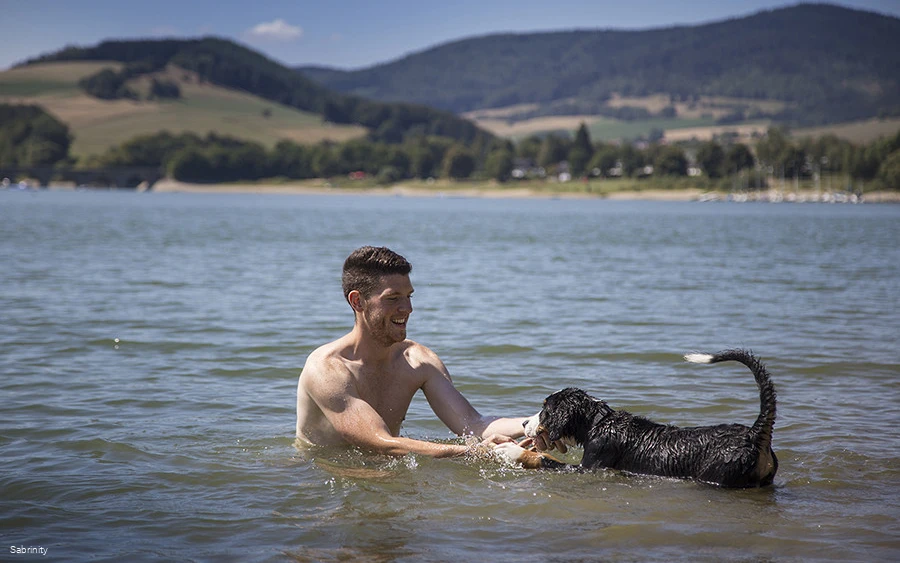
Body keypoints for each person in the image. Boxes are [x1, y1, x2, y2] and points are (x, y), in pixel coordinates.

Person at [296, 245, 531, 458]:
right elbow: (380, 442)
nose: (407, 308)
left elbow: (474, 425)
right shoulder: (327, 369)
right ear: (358, 301)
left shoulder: (418, 361)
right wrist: (475, 452)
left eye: (409, 296)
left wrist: (538, 424)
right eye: (393, 298)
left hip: (384, 474)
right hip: (320, 478)